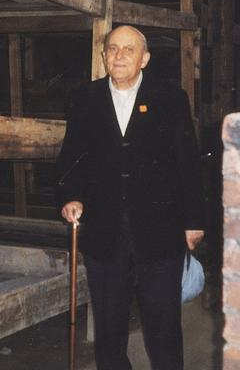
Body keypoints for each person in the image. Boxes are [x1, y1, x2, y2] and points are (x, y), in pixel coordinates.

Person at [57, 25, 206, 370]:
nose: (119, 55)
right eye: (112, 49)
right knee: (109, 328)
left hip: (160, 231)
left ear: (145, 58)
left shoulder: (171, 98)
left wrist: (194, 221)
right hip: (104, 232)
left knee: (163, 326)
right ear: (104, 55)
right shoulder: (85, 98)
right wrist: (70, 197)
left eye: (128, 49)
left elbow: (188, 163)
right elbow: (70, 158)